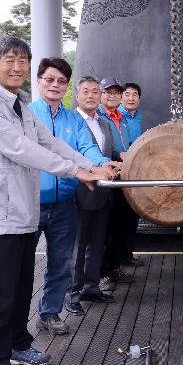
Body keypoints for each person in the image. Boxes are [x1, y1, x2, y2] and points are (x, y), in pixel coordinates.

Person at [0, 37, 115, 365]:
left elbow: (48, 141)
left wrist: (89, 165)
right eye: (9, 60)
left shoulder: (19, 106)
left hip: (22, 213)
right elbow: (21, 149)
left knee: (18, 288)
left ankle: (18, 343)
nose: (16, 67)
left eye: (22, 61)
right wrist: (74, 172)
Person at [28, 57, 117, 335]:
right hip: (29, 203)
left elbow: (86, 148)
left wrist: (101, 165)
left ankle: (50, 313)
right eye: (49, 79)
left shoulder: (71, 119)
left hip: (65, 202)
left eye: (61, 81)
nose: (55, 85)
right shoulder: (27, 114)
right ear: (39, 81)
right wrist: (86, 168)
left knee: (61, 263)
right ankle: (16, 327)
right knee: (20, 267)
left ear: (67, 87)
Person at [68, 76, 119, 315]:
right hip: (79, 190)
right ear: (77, 95)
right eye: (86, 91)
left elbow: (109, 152)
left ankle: (91, 286)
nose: (90, 95)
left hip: (103, 191)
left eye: (95, 92)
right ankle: (72, 294)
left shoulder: (104, 123)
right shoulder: (71, 121)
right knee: (78, 245)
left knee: (97, 242)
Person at [97, 78, 137, 283]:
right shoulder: (97, 117)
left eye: (116, 92)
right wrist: (118, 158)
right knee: (106, 227)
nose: (112, 96)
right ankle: (102, 271)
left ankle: (114, 266)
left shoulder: (122, 118)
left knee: (120, 224)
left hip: (122, 178)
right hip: (106, 177)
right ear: (100, 94)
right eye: (107, 92)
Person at [117, 82, 143, 265]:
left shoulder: (137, 117)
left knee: (131, 215)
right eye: (127, 94)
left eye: (135, 95)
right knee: (117, 219)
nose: (131, 98)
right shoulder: (116, 116)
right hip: (118, 171)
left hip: (134, 172)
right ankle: (114, 261)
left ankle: (127, 255)